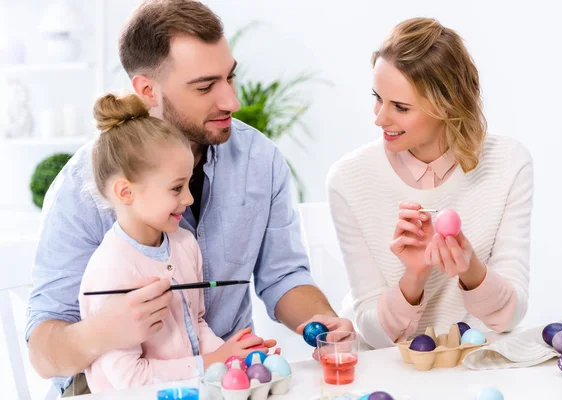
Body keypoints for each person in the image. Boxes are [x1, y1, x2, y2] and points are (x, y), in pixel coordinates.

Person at [26, 1, 353, 396]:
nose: (231, 100)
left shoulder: (258, 159)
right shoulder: (85, 185)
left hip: (225, 377)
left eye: (229, 78)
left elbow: (284, 276)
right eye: (205, 86)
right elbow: (44, 353)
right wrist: (101, 332)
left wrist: (322, 322)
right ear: (148, 90)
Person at [327, 17, 533, 349]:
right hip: (392, 371)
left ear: (447, 107)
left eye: (401, 107)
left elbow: (510, 316)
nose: (379, 118)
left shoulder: (508, 162)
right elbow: (374, 334)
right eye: (377, 97)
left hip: (477, 363)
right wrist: (415, 276)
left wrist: (470, 269)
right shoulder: (348, 179)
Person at [78, 92, 275, 392]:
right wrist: (212, 362)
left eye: (188, 183)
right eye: (176, 188)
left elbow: (196, 325)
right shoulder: (110, 270)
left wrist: (235, 358)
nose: (189, 198)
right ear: (126, 193)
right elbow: (129, 378)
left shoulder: (183, 244)